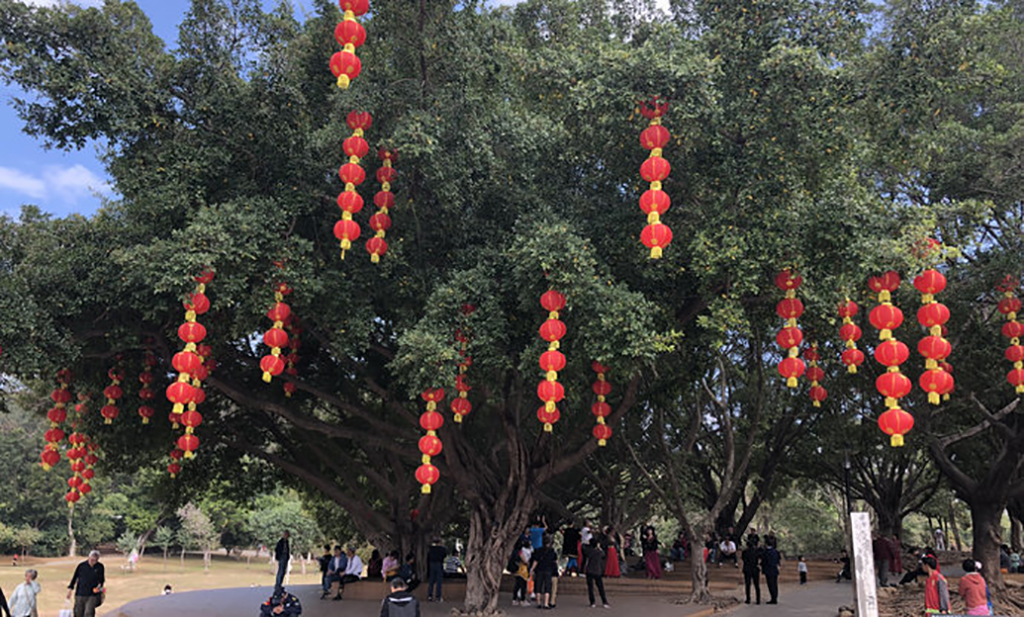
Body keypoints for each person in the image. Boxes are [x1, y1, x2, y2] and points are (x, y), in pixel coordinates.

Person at [66, 550, 104, 617]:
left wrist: (100, 590)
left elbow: (101, 580)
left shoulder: (100, 567)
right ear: (89, 557)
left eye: (96, 560)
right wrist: (70, 589)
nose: (94, 561)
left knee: (89, 612)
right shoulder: (81, 566)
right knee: (78, 613)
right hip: (80, 593)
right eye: (92, 559)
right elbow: (75, 578)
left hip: (92, 594)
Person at [529, 535, 558, 610]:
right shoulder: (552, 551)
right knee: (547, 587)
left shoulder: (538, 550)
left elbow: (535, 561)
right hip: (548, 570)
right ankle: (546, 603)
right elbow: (555, 562)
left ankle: (538, 603)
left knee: (538, 586)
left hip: (539, 570)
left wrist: (532, 569)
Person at [582, 538, 610, 608]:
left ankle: (592, 602)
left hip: (589, 570)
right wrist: (599, 548)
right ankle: (604, 602)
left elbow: (584, 549)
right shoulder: (599, 552)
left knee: (590, 588)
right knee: (600, 587)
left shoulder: (589, 551)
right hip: (597, 571)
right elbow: (604, 555)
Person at [741, 537, 762, 605]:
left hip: (747, 569)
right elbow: (760, 557)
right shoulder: (756, 551)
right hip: (755, 568)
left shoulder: (745, 552)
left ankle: (748, 599)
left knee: (748, 584)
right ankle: (758, 599)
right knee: (757, 585)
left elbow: (743, 559)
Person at [761, 536, 780, 605]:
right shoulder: (776, 552)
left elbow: (764, 561)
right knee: (775, 584)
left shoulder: (765, 552)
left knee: (770, 584)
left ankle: (773, 598)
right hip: (774, 569)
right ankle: (775, 597)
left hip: (768, 570)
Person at [426, 537, 447, 602]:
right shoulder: (442, 549)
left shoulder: (431, 549)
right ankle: (438, 597)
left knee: (431, 581)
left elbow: (428, 556)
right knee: (439, 581)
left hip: (432, 564)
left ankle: (430, 596)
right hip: (439, 564)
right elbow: (444, 555)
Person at [511, 540, 530, 607]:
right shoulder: (520, 552)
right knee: (523, 585)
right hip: (522, 570)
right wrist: (527, 563)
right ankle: (522, 600)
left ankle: (514, 599)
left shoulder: (513, 551)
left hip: (516, 570)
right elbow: (525, 561)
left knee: (517, 585)